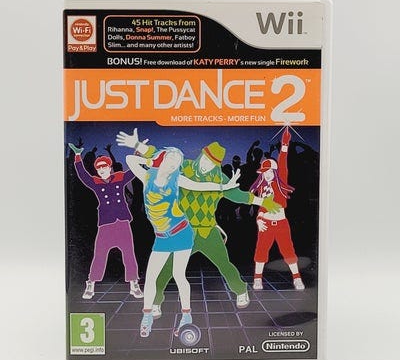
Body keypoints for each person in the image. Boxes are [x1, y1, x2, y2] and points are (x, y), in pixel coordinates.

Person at [116, 130, 281, 320]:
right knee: (167, 268)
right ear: (201, 154)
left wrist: (263, 202)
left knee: (224, 264)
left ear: (216, 165)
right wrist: (138, 146)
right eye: (205, 159)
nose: (206, 165)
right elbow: (163, 157)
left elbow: (238, 195)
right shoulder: (183, 167)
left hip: (208, 232)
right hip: (183, 231)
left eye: (212, 163)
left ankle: (241, 290)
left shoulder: (220, 178)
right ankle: (156, 301)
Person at [124, 142, 240, 337]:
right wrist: (151, 160)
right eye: (171, 158)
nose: (173, 163)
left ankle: (186, 316)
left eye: (177, 161)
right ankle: (147, 315)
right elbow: (130, 159)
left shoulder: (176, 179)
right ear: (163, 157)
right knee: (150, 278)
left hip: (181, 232)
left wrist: (225, 186)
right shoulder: (147, 176)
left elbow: (199, 186)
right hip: (161, 237)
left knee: (178, 275)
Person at [68, 143, 143, 299]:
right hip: (106, 224)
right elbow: (83, 175)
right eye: (99, 168)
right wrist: (77, 156)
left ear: (110, 168)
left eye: (104, 167)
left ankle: (134, 284)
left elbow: (133, 172)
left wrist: (137, 155)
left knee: (129, 253)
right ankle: (91, 284)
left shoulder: (119, 178)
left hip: (122, 223)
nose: (102, 170)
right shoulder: (96, 183)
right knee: (100, 254)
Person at [249, 128, 305, 291]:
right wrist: (259, 220)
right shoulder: (262, 187)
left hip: (281, 223)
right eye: (263, 172)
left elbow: (283, 163)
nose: (266, 174)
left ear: (275, 171)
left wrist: (285, 145)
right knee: (261, 251)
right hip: (265, 223)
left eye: (269, 171)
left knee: (288, 251)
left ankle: (297, 278)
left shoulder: (280, 182)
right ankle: (257, 279)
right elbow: (261, 207)